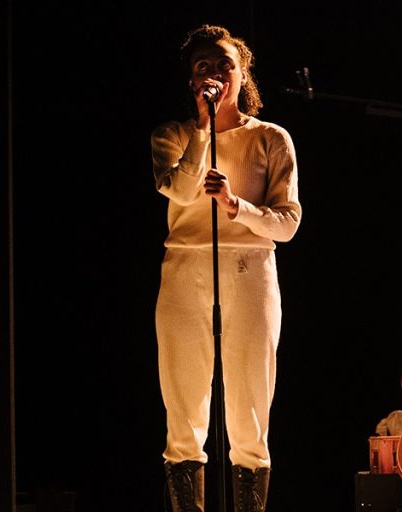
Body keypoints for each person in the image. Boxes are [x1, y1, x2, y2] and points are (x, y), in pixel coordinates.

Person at [151, 24, 301, 512]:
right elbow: (179, 191)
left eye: (224, 65)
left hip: (250, 268)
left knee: (250, 407)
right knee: (183, 404)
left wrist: (237, 206)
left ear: (242, 74)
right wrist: (202, 127)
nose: (214, 73)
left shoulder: (271, 138)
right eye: (203, 67)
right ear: (192, 81)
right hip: (184, 267)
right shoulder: (172, 135)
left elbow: (288, 223)